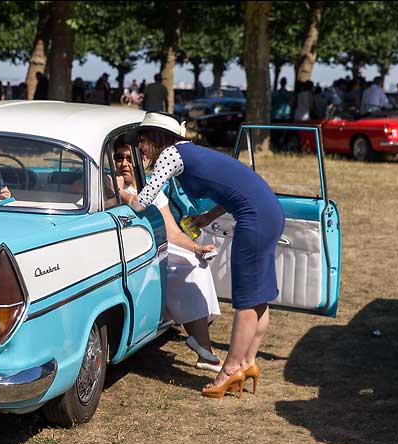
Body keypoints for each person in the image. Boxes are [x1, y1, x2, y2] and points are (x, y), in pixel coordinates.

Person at [130, 113, 285, 398]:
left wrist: (123, 195)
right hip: (269, 212)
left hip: (254, 218)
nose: (140, 148)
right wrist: (207, 217)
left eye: (141, 140)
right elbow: (231, 191)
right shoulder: (191, 152)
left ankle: (230, 370)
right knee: (259, 296)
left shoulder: (171, 154)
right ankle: (248, 363)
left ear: (156, 138)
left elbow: (144, 199)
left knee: (247, 301)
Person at [112, 137, 222, 372]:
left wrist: (196, 248)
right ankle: (203, 345)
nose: (123, 164)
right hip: (127, 250)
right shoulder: (106, 186)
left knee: (196, 262)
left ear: (142, 160)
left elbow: (171, 231)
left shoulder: (150, 188)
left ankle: (201, 343)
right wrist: (118, 190)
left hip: (157, 243)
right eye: (118, 158)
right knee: (181, 268)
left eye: (129, 158)